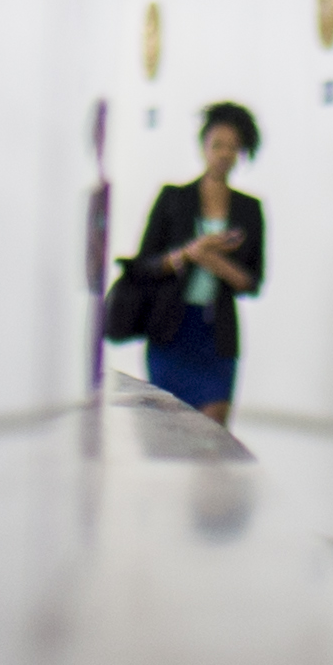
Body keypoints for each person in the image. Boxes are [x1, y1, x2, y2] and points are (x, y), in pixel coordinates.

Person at [132, 100, 263, 424]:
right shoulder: (173, 198)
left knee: (213, 432)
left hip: (216, 335)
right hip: (171, 329)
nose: (224, 153)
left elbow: (252, 281)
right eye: (217, 145)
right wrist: (188, 253)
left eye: (233, 147)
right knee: (167, 429)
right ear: (203, 146)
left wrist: (213, 260)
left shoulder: (249, 209)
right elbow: (144, 264)